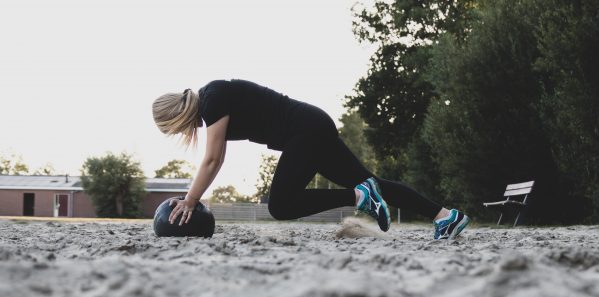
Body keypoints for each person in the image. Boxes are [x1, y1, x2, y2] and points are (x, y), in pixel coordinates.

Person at [152, 79, 470, 239]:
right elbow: (214, 156)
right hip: (310, 128)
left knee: (281, 205)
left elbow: (213, 159)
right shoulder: (211, 102)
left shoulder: (212, 100)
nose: (181, 132)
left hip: (304, 132)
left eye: (172, 128)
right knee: (374, 183)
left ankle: (359, 196)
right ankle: (446, 216)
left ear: (176, 116)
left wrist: (191, 200)